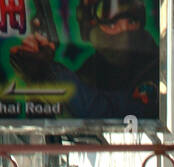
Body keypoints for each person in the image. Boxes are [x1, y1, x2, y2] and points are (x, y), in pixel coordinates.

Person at [10, 0, 159, 121]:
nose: (124, 30)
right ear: (89, 25)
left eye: (132, 20)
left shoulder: (157, 69)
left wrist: (50, 71)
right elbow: (46, 127)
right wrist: (36, 78)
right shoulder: (90, 70)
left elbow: (105, 113)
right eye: (112, 23)